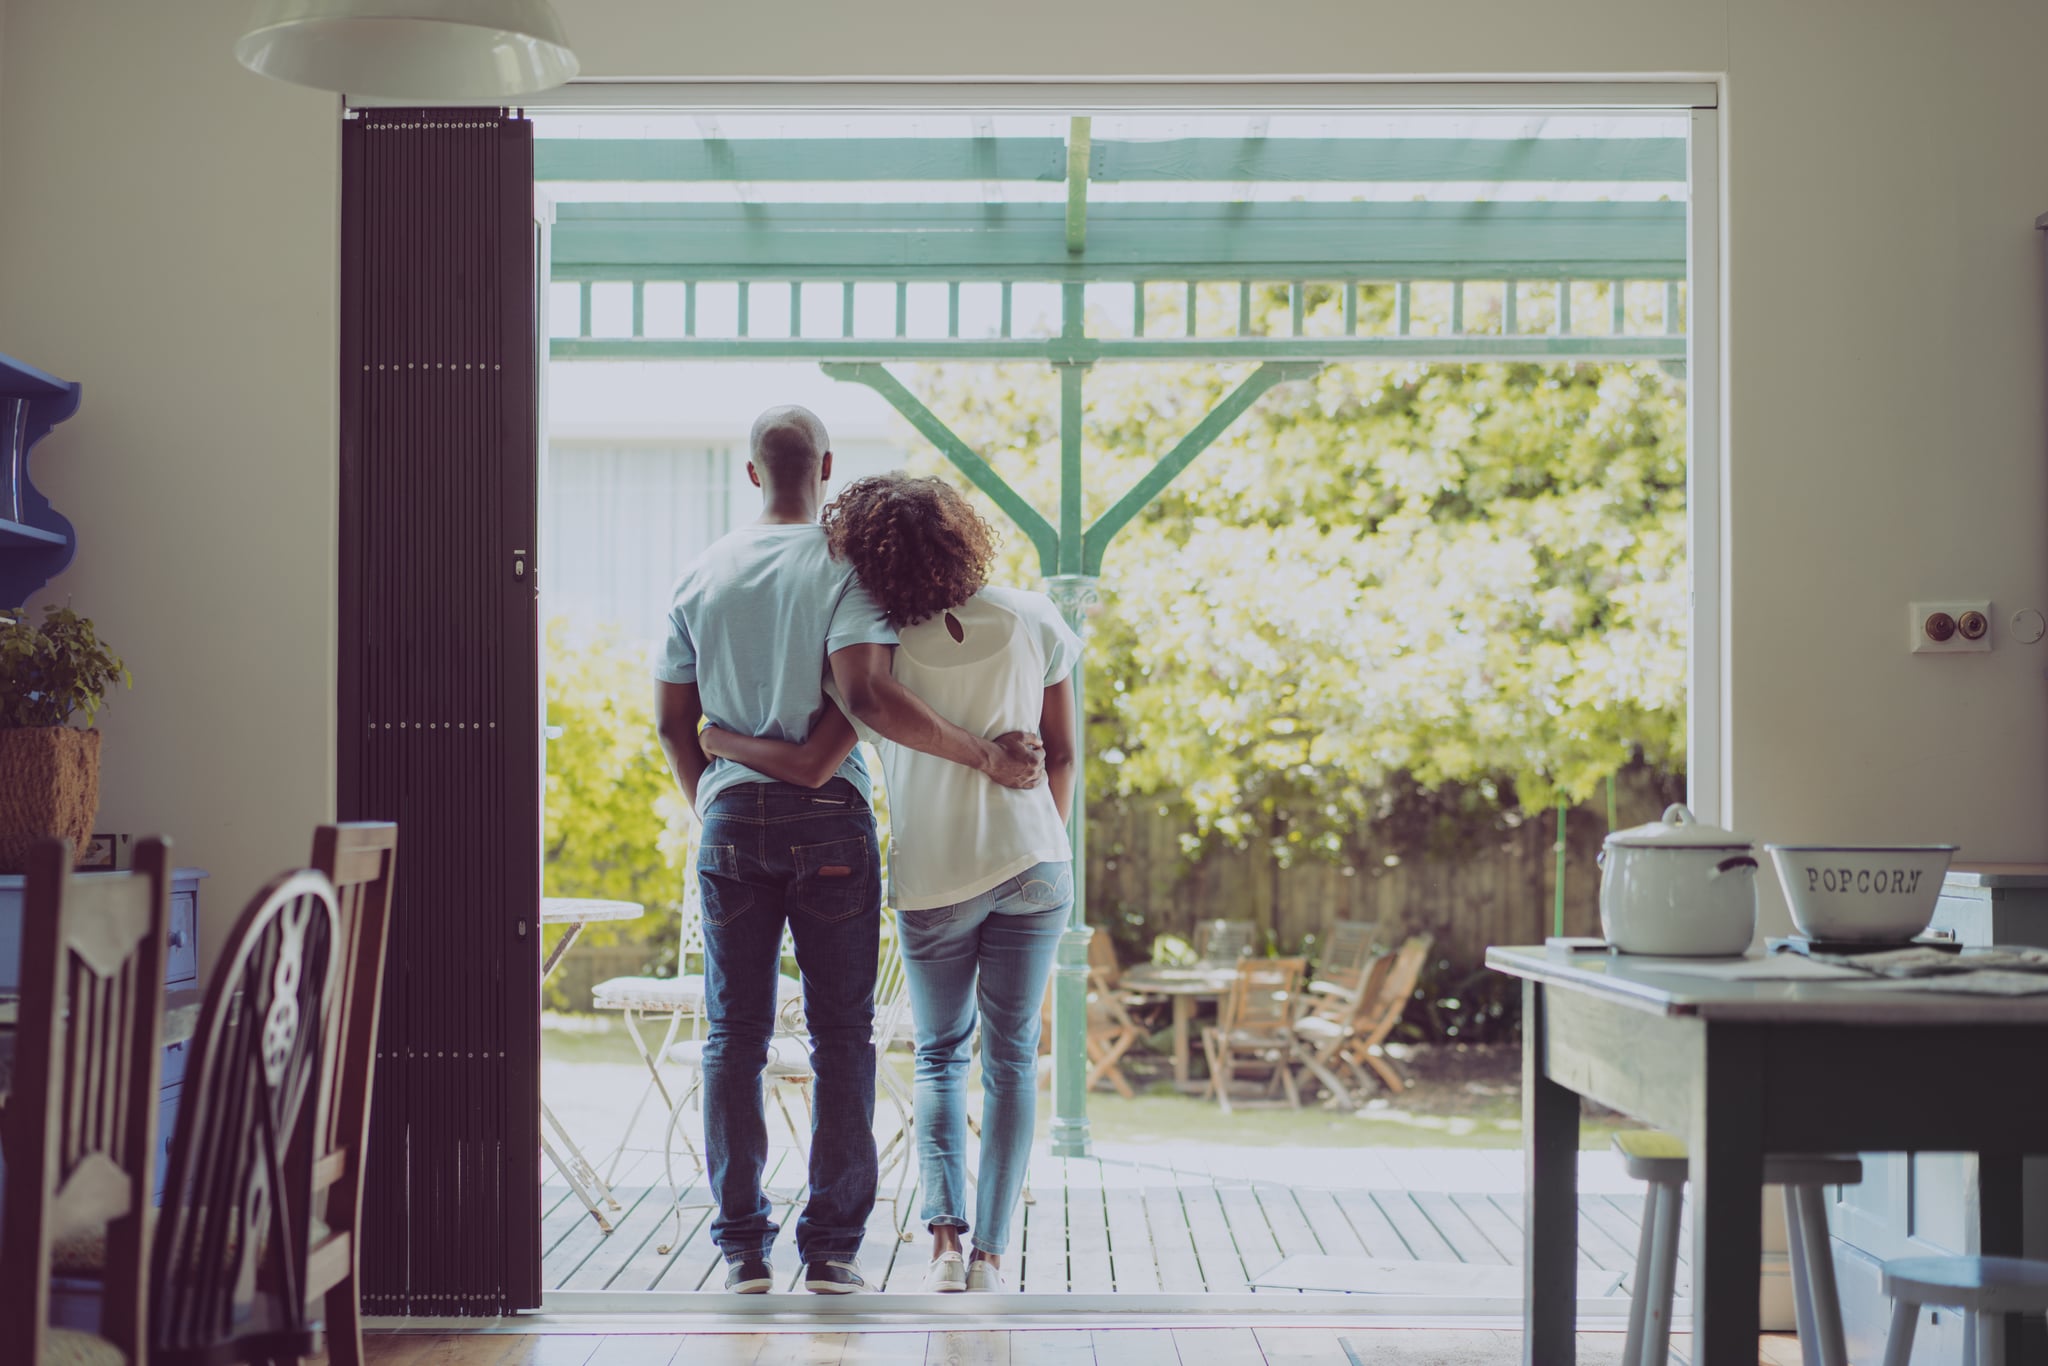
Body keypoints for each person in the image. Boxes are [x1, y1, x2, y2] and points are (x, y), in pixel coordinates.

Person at [653, 410, 1045, 1296]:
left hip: (727, 821)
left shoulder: (697, 573)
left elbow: (675, 725)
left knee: (732, 1038)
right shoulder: (845, 571)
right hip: (828, 820)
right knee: (842, 1038)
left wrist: (718, 801)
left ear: (752, 474)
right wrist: (985, 755)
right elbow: (864, 696)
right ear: (827, 467)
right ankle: (830, 1251)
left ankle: (743, 1251)